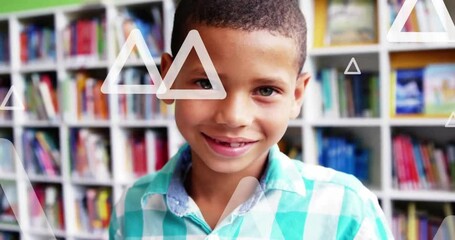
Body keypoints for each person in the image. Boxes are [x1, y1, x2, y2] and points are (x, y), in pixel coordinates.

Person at [109, 0, 394, 239]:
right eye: (206, 84)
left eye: (266, 90)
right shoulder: (132, 208)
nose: (234, 117)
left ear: (296, 96)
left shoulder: (347, 211)